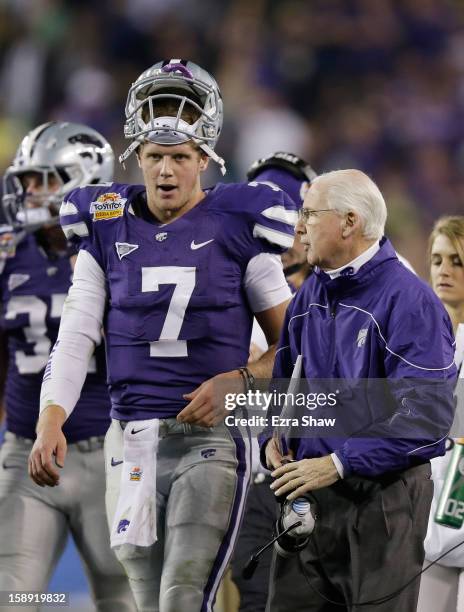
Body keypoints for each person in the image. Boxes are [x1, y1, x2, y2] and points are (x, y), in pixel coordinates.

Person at [28, 60, 297, 612]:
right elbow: (77, 335)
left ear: (204, 158)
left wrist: (240, 381)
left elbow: (295, 346)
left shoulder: (239, 227)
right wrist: (51, 418)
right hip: (128, 440)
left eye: (179, 156)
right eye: (155, 156)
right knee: (148, 601)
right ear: (137, 158)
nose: (166, 170)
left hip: (212, 442)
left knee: (182, 594)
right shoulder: (105, 224)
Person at [261, 169, 457, 612]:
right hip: (308, 497)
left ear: (349, 222)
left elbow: (428, 418)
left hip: (382, 502)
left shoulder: (409, 301)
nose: (299, 226)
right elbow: (283, 387)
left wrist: (341, 461)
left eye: (310, 213)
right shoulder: (310, 293)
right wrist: (271, 441)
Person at [0, 121, 135, 611]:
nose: (30, 192)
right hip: (25, 452)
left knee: (122, 599)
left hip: (110, 451)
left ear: (84, 179)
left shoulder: (122, 248)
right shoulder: (9, 251)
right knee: (13, 597)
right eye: (27, 181)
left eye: (44, 180)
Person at [230, 151, 316, 612]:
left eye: (294, 214)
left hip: (326, 473)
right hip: (250, 470)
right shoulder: (231, 277)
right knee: (255, 596)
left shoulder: (345, 282)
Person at [417, 216, 464, 612]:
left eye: (457, 261)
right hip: (429, 518)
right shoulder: (417, 342)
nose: (444, 270)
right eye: (436, 260)